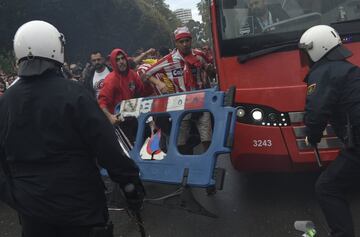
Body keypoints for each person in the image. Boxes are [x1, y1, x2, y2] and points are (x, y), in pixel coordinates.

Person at [0, 20, 144, 237]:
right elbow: (106, 145)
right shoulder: (74, 94)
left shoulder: (6, 102)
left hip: (32, 214)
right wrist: (129, 181)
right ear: (55, 48)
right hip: (80, 209)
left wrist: (16, 195)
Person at [299, 24, 360, 237]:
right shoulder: (346, 68)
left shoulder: (323, 72)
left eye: (306, 52)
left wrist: (312, 136)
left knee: (327, 187)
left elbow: (315, 113)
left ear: (318, 49)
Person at [142, 27, 214, 154]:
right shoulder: (167, 60)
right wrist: (159, 83)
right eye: (181, 42)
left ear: (191, 41)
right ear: (176, 43)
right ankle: (186, 167)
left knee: (207, 139)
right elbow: (145, 74)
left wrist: (209, 70)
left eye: (187, 41)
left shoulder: (199, 55)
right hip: (181, 105)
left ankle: (207, 168)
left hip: (202, 102)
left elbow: (210, 68)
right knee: (180, 142)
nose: (185, 44)